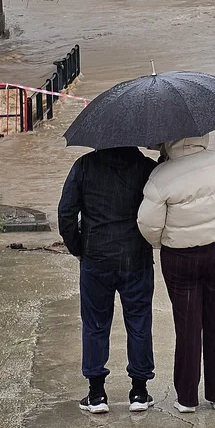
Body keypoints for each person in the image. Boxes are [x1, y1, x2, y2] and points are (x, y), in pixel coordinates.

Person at [137, 133, 215, 413]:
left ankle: (187, 398)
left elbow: (147, 223)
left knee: (187, 326)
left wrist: (163, 243)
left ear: (168, 139)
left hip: (182, 258)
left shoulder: (161, 175)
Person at [58, 146, 158, 414]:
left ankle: (96, 394)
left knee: (95, 324)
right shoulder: (146, 168)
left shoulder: (83, 166)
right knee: (139, 321)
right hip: (135, 257)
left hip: (96, 257)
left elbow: (66, 214)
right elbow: (156, 212)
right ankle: (139, 392)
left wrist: (79, 248)